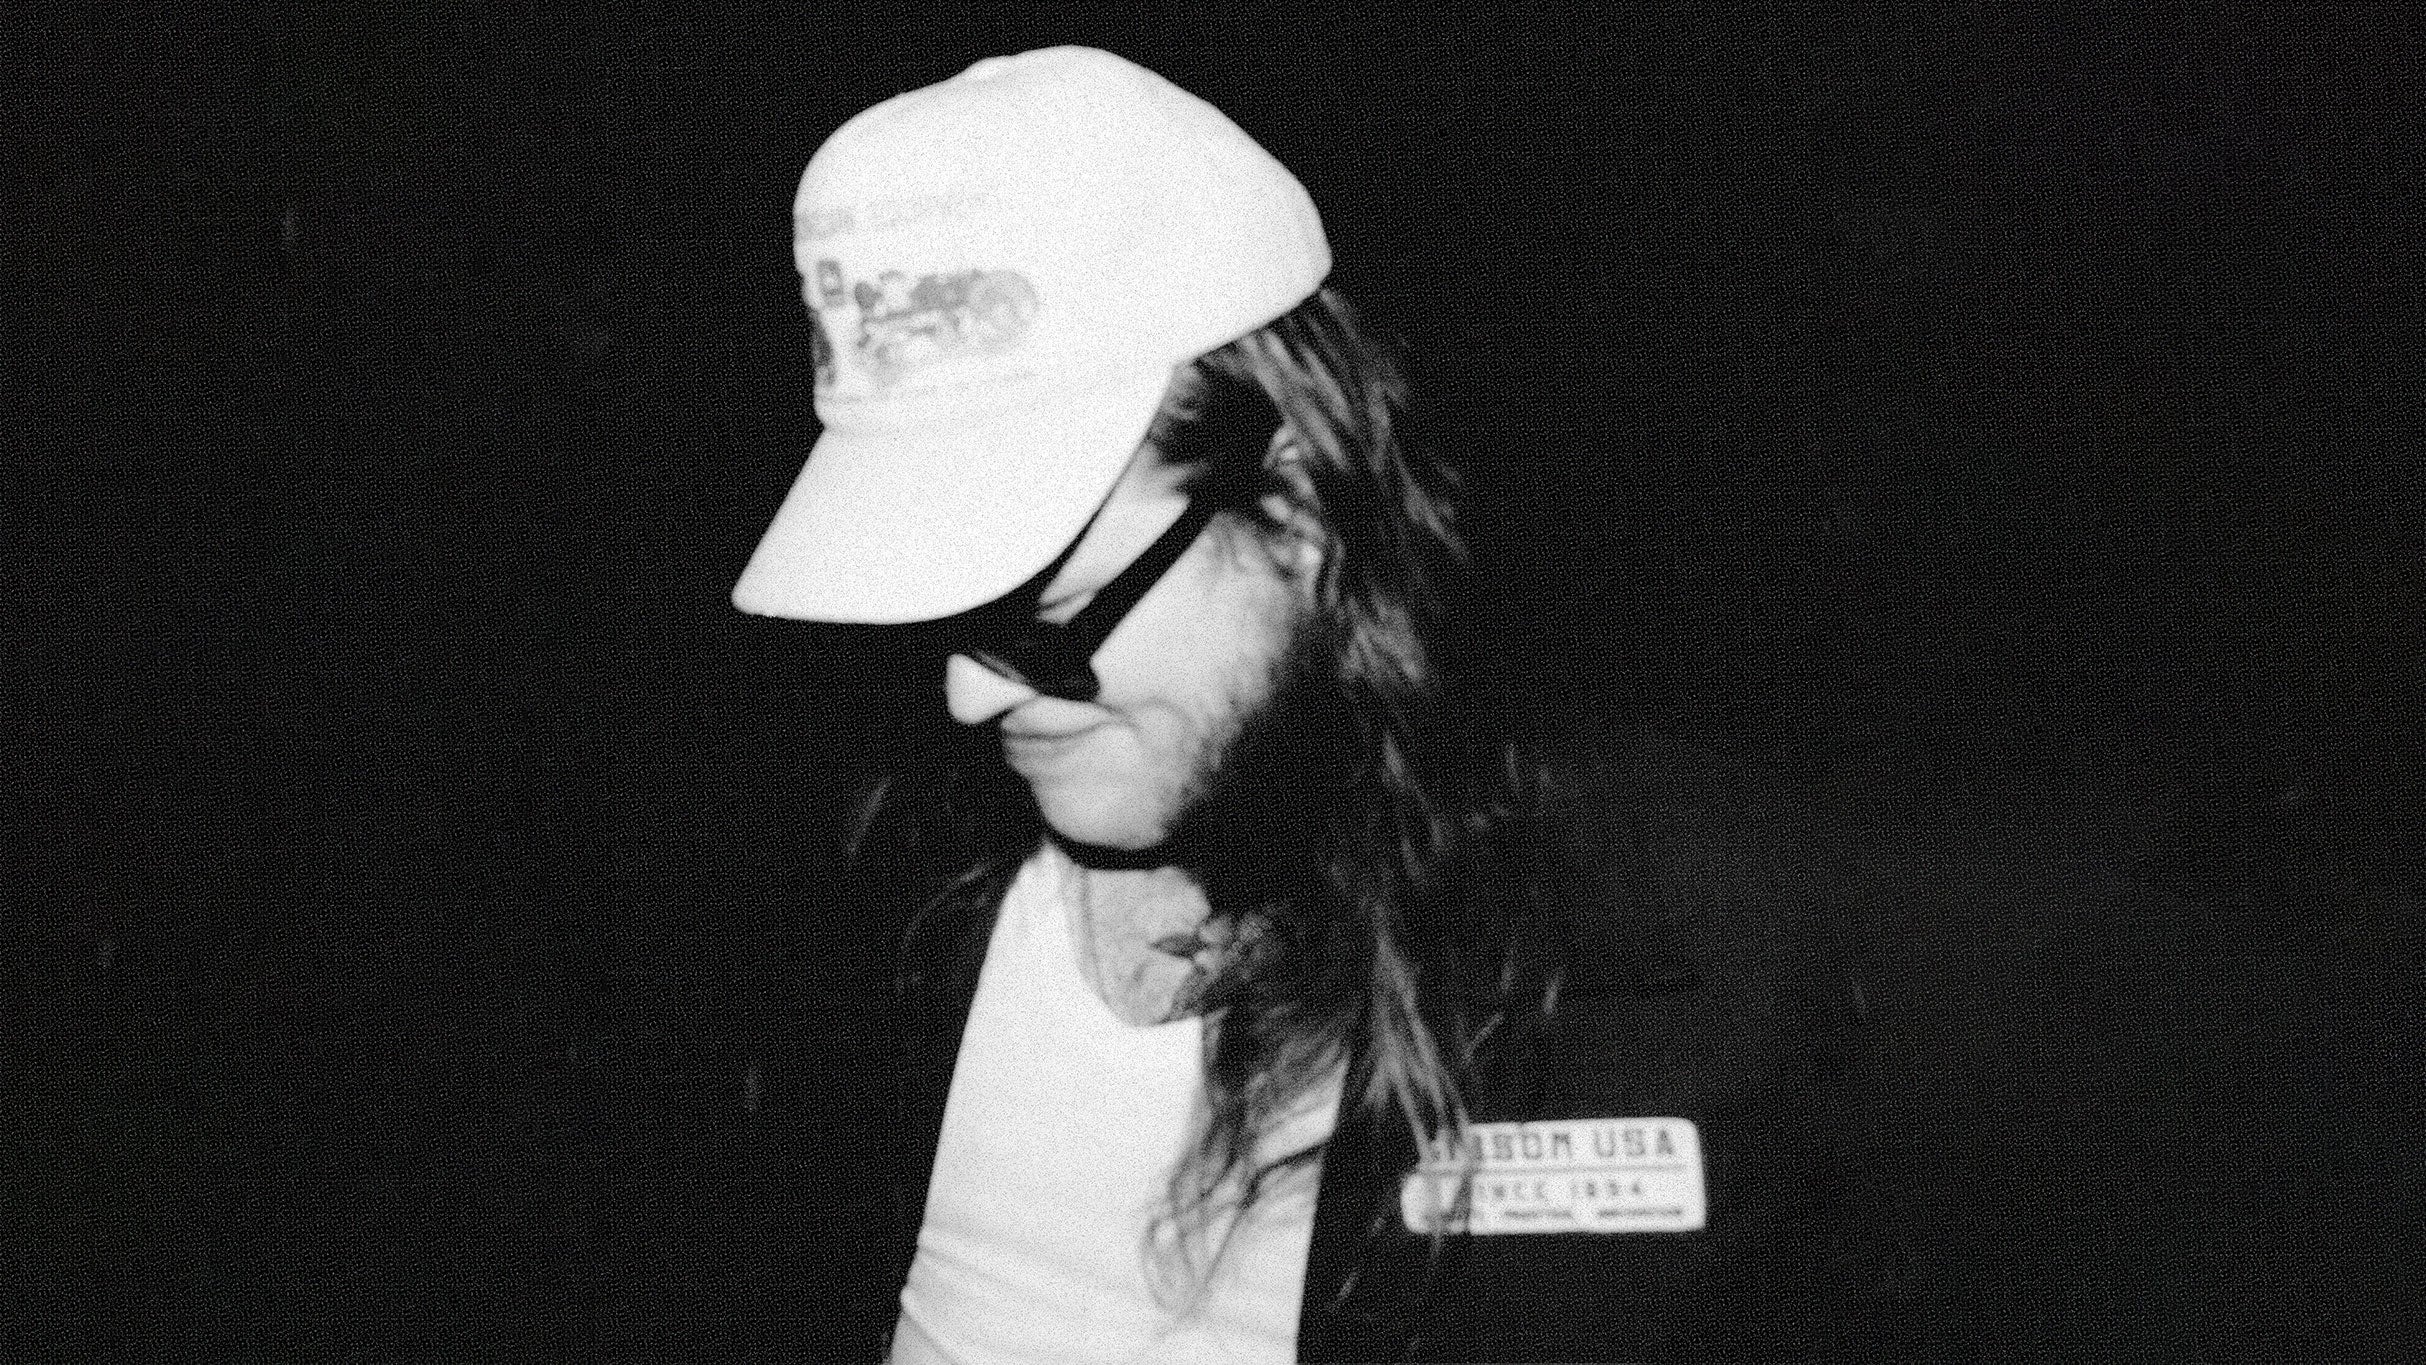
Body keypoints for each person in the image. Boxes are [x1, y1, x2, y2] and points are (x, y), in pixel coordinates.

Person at [733, 46, 1868, 1363]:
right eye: (932, 614)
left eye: (1044, 617)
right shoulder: (864, 887)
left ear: (1298, 501)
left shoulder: (1681, 945)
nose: (966, 693)